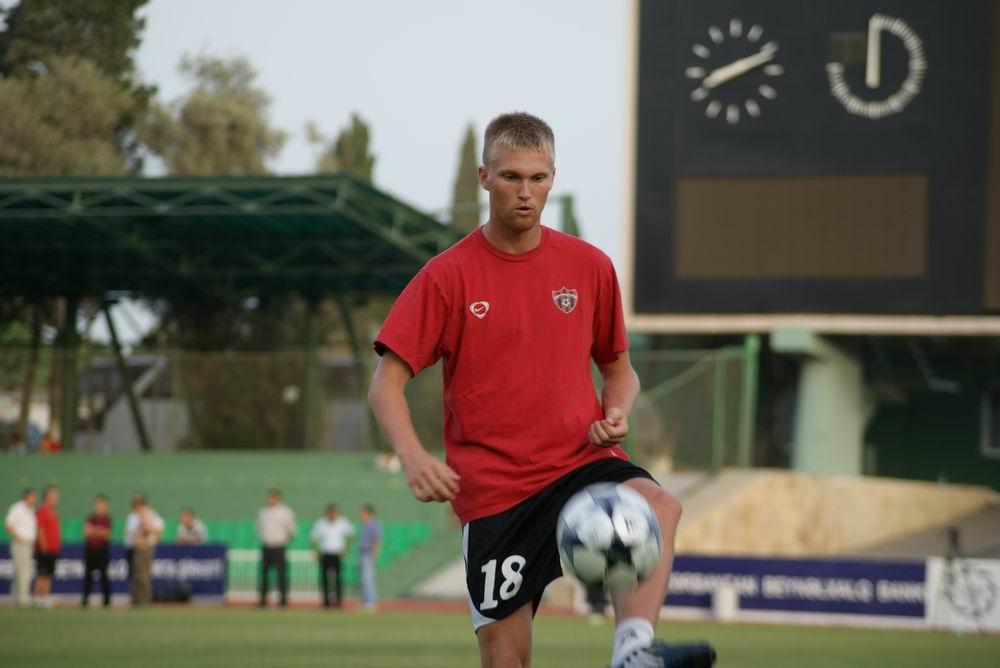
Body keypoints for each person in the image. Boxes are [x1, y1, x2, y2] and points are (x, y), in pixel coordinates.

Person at [368, 112, 716, 668]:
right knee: (507, 662)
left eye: (538, 178)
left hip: (580, 464)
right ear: (484, 176)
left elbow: (619, 369)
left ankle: (633, 652)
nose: (525, 192)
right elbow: (385, 383)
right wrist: (412, 456)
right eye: (511, 177)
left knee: (658, 505)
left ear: (553, 177)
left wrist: (617, 410)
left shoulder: (590, 266)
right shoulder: (446, 276)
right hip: (496, 493)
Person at [256, 489, 296, 608]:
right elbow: (259, 528)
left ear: (278, 498)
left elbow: (291, 530)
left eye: (272, 497)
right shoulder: (263, 512)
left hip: (279, 547)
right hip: (266, 546)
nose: (270, 500)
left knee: (281, 575)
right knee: (264, 575)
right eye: (269, 497)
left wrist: (283, 540)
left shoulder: (285, 512)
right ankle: (262, 601)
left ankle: (283, 601)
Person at [310, 503, 355, 608]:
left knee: (338, 579)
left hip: (337, 553)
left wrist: (347, 548)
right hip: (325, 553)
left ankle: (338, 602)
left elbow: (352, 535)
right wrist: (315, 551)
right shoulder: (321, 523)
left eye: (334, 512)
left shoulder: (343, 522)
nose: (332, 514)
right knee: (324, 579)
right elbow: (313, 538)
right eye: (330, 512)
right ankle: (325, 602)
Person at [125, 492, 163, 606]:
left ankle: (145, 600)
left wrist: (146, 527)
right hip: (134, 548)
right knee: (135, 575)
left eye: (139, 503)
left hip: (145, 549)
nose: (137, 505)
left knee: (143, 575)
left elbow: (157, 530)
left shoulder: (149, 514)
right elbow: (129, 533)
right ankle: (135, 599)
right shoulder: (132, 516)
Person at [4, 488, 37, 606]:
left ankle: (16, 599)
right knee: (24, 572)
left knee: (23, 572)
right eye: (33, 497)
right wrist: (19, 538)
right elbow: (8, 526)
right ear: (27, 497)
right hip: (20, 544)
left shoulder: (30, 510)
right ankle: (23, 600)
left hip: (28, 545)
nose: (34, 499)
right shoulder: (17, 508)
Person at [82, 494, 112, 608]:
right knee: (88, 576)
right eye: (98, 504)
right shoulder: (90, 518)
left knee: (104, 576)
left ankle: (107, 601)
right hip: (90, 550)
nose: (100, 506)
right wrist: (98, 530)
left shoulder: (107, 519)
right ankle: (85, 600)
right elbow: (86, 532)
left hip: (102, 550)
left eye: (102, 504)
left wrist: (94, 531)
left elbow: (107, 535)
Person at [33, 485, 61, 608]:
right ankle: (37, 598)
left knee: (48, 574)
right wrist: (43, 546)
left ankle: (44, 598)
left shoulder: (54, 512)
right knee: (42, 574)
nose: (57, 498)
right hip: (44, 549)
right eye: (54, 496)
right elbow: (40, 529)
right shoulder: (42, 511)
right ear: (48, 497)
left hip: (53, 549)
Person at [357, 504, 382, 612]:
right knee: (363, 579)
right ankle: (365, 601)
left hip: (368, 553)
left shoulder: (374, 524)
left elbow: (377, 540)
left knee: (368, 578)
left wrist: (374, 553)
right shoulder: (366, 525)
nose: (361, 515)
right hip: (362, 553)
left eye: (363, 513)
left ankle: (371, 601)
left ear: (369, 513)